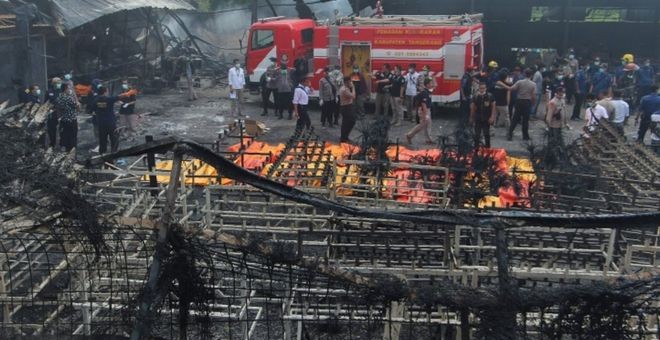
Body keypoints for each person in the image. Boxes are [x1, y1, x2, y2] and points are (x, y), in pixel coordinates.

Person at [92, 86, 125, 154]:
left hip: (101, 123)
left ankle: (102, 152)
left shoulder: (96, 100)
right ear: (105, 92)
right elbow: (119, 96)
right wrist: (129, 93)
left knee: (102, 139)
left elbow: (93, 109)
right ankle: (114, 152)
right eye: (107, 91)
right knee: (114, 138)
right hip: (110, 122)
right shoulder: (109, 99)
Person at [507, 68, 537, 141]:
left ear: (524, 74)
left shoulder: (519, 82)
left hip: (519, 101)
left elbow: (512, 88)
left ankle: (510, 134)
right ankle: (525, 136)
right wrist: (533, 103)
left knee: (515, 118)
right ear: (531, 75)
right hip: (527, 102)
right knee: (525, 120)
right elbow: (533, 95)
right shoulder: (533, 84)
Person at [405, 78, 434, 145]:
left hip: (426, 109)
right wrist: (426, 114)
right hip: (424, 110)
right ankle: (409, 135)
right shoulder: (425, 93)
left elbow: (434, 86)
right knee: (422, 125)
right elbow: (424, 104)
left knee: (428, 125)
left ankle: (428, 139)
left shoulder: (427, 91)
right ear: (427, 85)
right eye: (430, 83)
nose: (432, 84)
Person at [54, 82, 80, 152]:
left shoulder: (59, 98)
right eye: (69, 88)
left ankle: (67, 151)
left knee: (65, 137)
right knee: (73, 137)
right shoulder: (69, 98)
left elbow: (58, 109)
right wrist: (77, 101)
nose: (69, 90)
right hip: (71, 120)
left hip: (64, 120)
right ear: (66, 89)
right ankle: (72, 152)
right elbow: (78, 107)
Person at [470, 82, 496, 148]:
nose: (482, 90)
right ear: (478, 89)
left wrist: (492, 117)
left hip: (486, 118)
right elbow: (473, 107)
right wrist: (471, 117)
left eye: (483, 88)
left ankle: (488, 149)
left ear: (486, 88)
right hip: (478, 118)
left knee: (486, 134)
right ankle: (476, 149)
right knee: (477, 135)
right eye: (480, 88)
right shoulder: (476, 96)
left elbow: (493, 106)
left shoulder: (490, 96)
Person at [45, 77, 63, 148]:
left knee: (62, 129)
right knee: (51, 129)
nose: (59, 84)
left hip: (61, 112)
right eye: (57, 82)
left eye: (60, 82)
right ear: (53, 83)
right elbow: (46, 102)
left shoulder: (62, 91)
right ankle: (52, 143)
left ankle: (62, 144)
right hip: (52, 112)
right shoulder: (49, 92)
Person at [339, 76, 357, 143]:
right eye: (350, 81)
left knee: (347, 122)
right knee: (348, 122)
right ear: (347, 82)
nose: (351, 82)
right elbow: (353, 96)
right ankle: (343, 138)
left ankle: (345, 137)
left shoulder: (346, 88)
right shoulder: (344, 89)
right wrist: (353, 87)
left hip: (348, 106)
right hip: (346, 107)